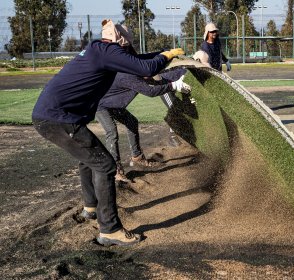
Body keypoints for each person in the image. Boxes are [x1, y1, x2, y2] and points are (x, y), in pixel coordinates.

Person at [32, 19, 184, 247]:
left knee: (89, 160)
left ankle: (90, 207)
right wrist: (168, 54)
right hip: (58, 119)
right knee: (105, 165)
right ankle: (110, 229)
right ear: (121, 43)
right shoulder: (107, 51)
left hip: (51, 116)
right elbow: (145, 68)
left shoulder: (99, 49)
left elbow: (138, 61)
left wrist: (163, 53)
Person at [96, 25, 191, 182]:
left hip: (115, 103)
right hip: (101, 104)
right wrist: (174, 85)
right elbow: (151, 91)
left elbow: (143, 59)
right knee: (112, 132)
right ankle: (116, 170)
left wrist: (166, 54)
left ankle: (137, 157)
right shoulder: (124, 72)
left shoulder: (127, 60)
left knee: (132, 121)